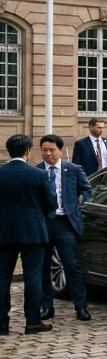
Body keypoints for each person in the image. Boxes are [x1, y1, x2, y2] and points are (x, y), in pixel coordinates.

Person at [2, 134, 57, 334]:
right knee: (33, 278)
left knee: (2, 278)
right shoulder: (39, 175)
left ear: (9, 152)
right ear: (28, 151)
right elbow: (51, 204)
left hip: (3, 232)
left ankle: (1, 323)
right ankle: (33, 321)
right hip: (33, 232)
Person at [36, 135, 91, 322]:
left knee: (71, 266)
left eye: (52, 150)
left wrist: (79, 205)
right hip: (44, 223)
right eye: (44, 150)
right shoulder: (36, 171)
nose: (48, 154)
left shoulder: (73, 169)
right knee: (43, 267)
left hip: (65, 223)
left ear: (60, 151)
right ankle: (47, 306)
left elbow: (86, 189)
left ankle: (81, 307)